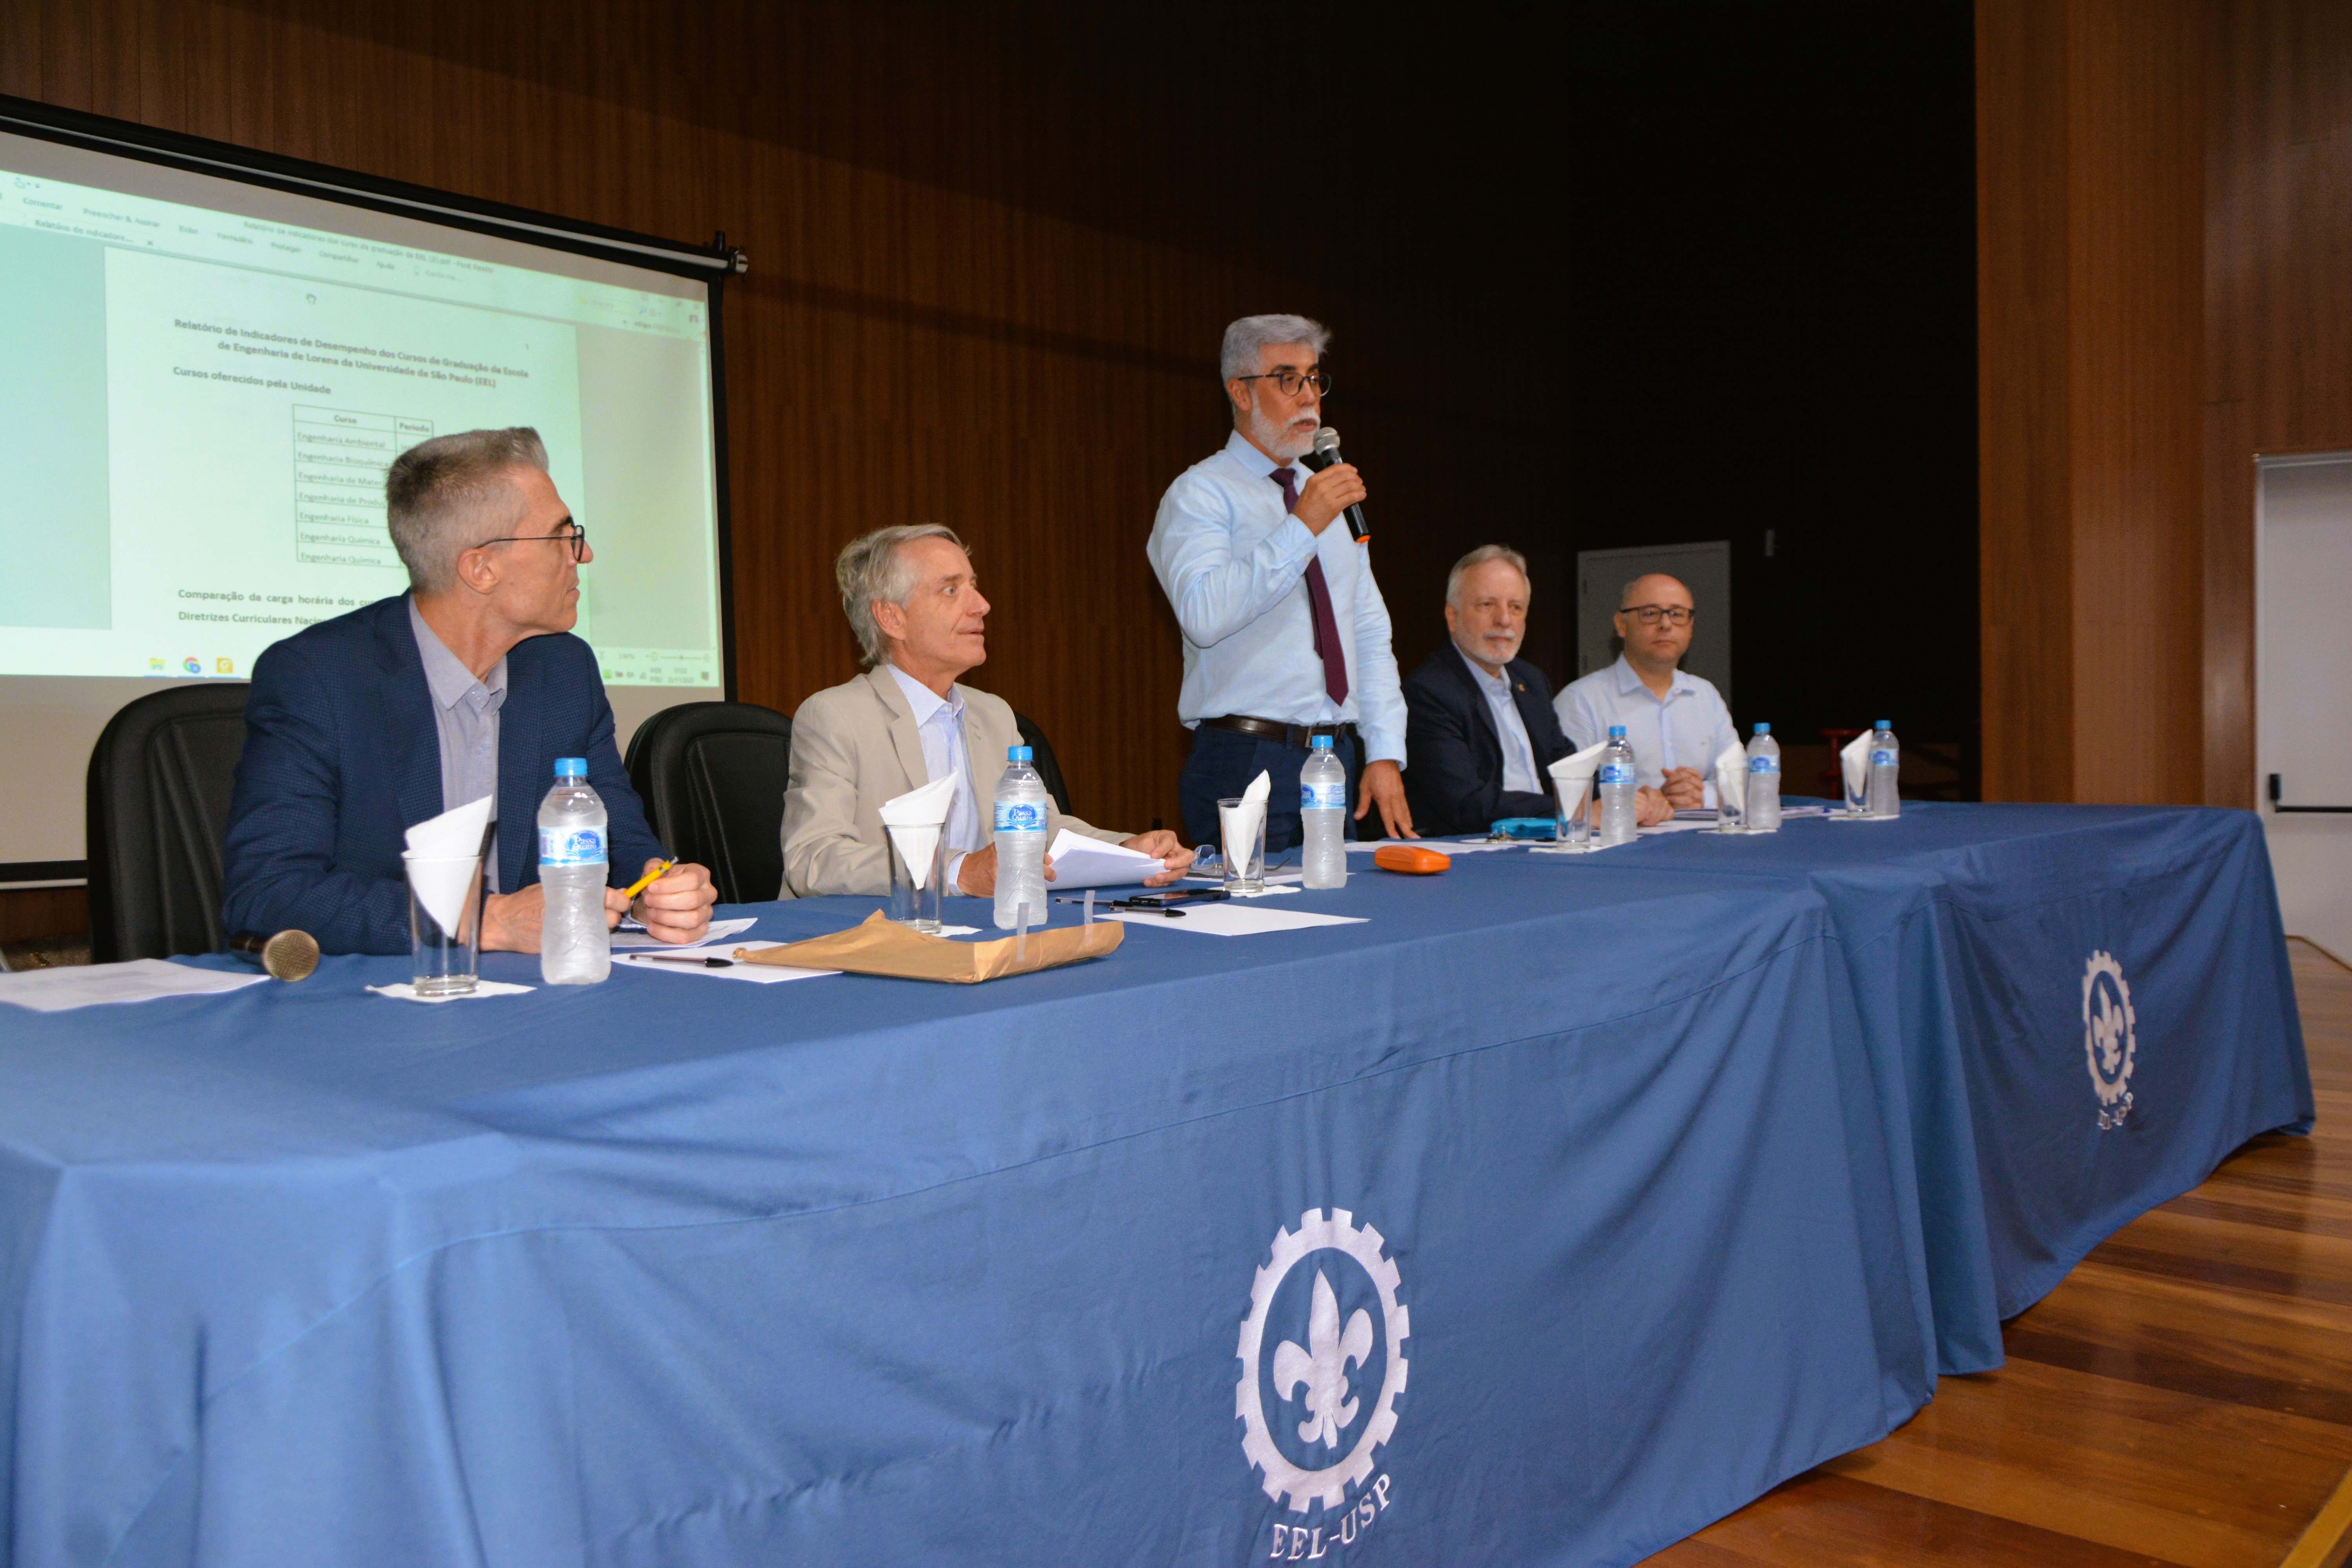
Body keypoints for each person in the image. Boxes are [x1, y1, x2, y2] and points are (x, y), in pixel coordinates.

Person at [221, 427, 717, 955]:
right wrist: (488, 921)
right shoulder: (318, 677)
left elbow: (619, 840)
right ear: (481, 568)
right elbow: (270, 893)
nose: (585, 553)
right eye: (562, 536)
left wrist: (654, 890)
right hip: (382, 1007)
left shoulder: (564, 670)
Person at [782, 525, 1193, 897]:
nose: (982, 605)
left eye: (974, 586)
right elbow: (814, 859)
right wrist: (960, 870)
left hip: (982, 932)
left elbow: (1042, 830)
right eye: (951, 590)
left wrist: (1125, 850)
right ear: (892, 617)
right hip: (866, 940)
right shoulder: (835, 718)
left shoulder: (993, 714)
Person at [1148, 313, 1415, 854]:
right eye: (1288, 379)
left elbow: (1366, 630)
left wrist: (1384, 749)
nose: (1309, 398)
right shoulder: (1200, 495)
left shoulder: (1325, 495)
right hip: (1246, 756)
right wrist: (1301, 528)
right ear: (1241, 392)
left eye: (1315, 378)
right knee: (1258, 930)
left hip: (1334, 758)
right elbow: (1203, 615)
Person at [1401, 544, 1647, 837]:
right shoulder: (1429, 691)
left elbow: (1566, 766)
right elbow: (1467, 802)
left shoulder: (1530, 681)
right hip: (1476, 850)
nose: (1504, 620)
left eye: (1515, 607)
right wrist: (1573, 808)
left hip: (1549, 838)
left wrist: (1623, 797)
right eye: (1487, 605)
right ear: (1452, 617)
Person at [1553, 572, 1740, 815]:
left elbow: (1743, 779)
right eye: (1650, 613)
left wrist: (1702, 795)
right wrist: (1642, 801)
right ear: (1622, 625)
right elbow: (1565, 794)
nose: (1666, 624)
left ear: (1691, 627)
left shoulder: (1706, 696)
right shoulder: (1581, 701)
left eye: (1677, 614)